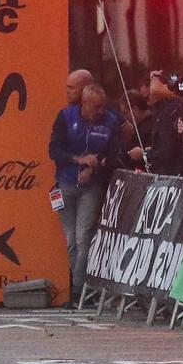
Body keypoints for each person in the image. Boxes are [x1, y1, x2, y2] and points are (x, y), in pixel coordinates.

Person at [48, 82, 124, 295]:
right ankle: (77, 283)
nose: (100, 111)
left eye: (103, 106)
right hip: (65, 181)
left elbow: (116, 153)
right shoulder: (65, 117)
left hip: (91, 186)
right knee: (71, 239)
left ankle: (79, 289)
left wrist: (95, 165)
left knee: (84, 236)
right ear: (85, 103)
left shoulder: (111, 121)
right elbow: (54, 150)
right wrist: (78, 160)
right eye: (96, 107)